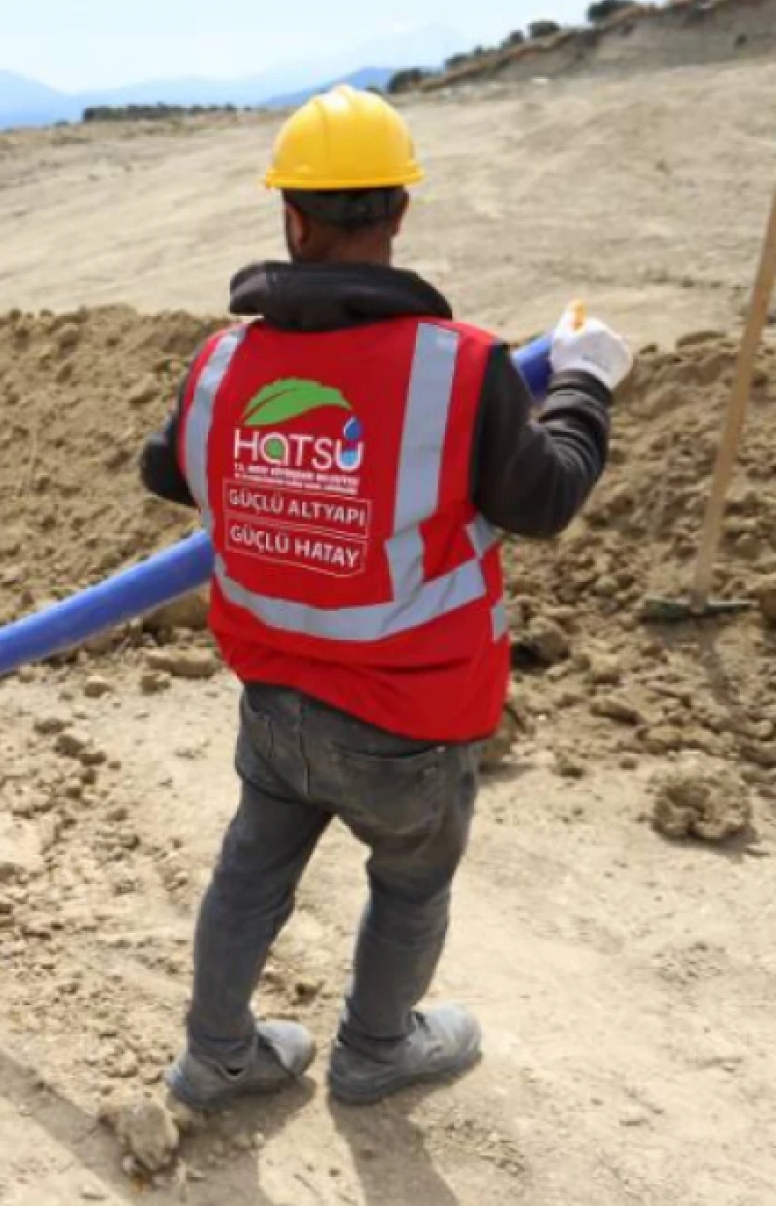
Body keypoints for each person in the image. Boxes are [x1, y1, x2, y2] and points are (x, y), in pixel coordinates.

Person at [138, 85, 631, 1110]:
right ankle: (375, 1047)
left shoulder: (222, 363)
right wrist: (582, 380)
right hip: (413, 718)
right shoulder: (461, 369)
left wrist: (280, 471)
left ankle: (215, 1053)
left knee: (248, 873)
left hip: (272, 701)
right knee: (408, 882)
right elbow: (540, 498)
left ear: (289, 217)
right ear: (397, 214)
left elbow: (165, 468)